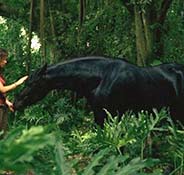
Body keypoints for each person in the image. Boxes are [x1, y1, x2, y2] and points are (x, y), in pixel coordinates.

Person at [0, 48, 28, 137]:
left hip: (2, 106)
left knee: (3, 135)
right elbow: (2, 89)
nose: (5, 62)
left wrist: (7, 102)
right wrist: (17, 83)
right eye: (4, 59)